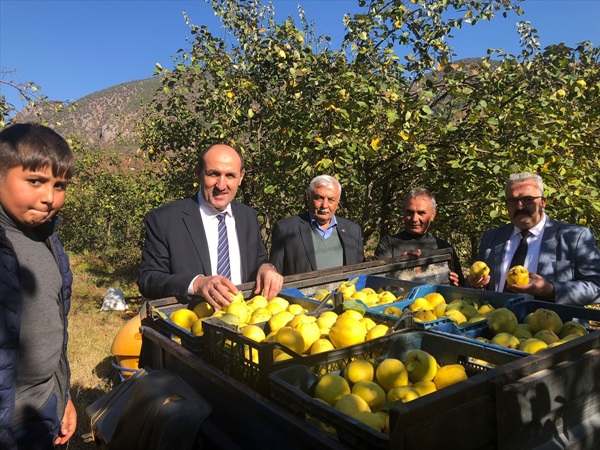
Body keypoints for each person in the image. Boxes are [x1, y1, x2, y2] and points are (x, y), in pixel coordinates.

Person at [0, 123, 77, 449]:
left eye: (59, 185)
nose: (49, 197)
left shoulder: (47, 238)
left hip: (44, 401)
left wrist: (63, 395)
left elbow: (55, 326)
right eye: (35, 181)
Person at [137, 143, 283, 308]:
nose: (221, 186)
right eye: (213, 174)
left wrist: (266, 268)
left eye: (230, 176)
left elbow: (258, 261)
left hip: (244, 324)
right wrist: (197, 284)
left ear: (241, 177)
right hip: (191, 327)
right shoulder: (165, 220)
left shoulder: (247, 216)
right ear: (199, 173)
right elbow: (148, 279)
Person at [467, 172, 600, 305]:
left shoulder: (574, 237)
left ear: (543, 203)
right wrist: (478, 285)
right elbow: (476, 285)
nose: (520, 206)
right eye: (512, 201)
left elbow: (596, 287)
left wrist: (550, 289)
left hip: (552, 323)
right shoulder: (492, 238)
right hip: (498, 321)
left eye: (528, 199)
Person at [269, 175, 365, 275]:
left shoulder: (353, 231)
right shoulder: (286, 230)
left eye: (331, 199)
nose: (325, 205)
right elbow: (274, 274)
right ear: (309, 197)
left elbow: (361, 275)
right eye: (319, 198)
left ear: (338, 200)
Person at [374, 188, 464, 286]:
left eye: (421, 213)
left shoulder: (444, 248)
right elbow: (376, 284)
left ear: (433, 215)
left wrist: (456, 285)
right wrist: (400, 266)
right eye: (410, 212)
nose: (414, 219)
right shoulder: (388, 244)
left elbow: (463, 289)